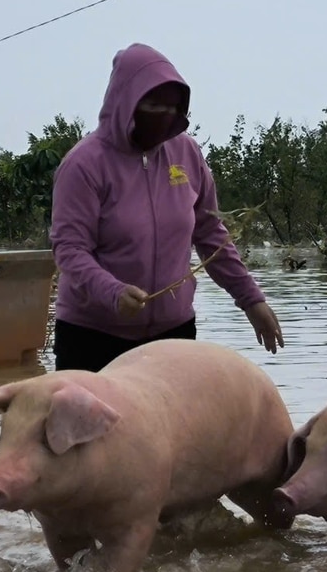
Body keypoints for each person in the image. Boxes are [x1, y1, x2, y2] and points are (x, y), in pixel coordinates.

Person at [50, 43, 283, 373]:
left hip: (172, 339)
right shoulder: (84, 165)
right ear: (126, 101)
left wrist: (251, 300)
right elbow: (70, 250)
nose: (165, 115)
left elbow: (210, 235)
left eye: (174, 107)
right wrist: (112, 293)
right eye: (154, 104)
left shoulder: (186, 154)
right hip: (93, 337)